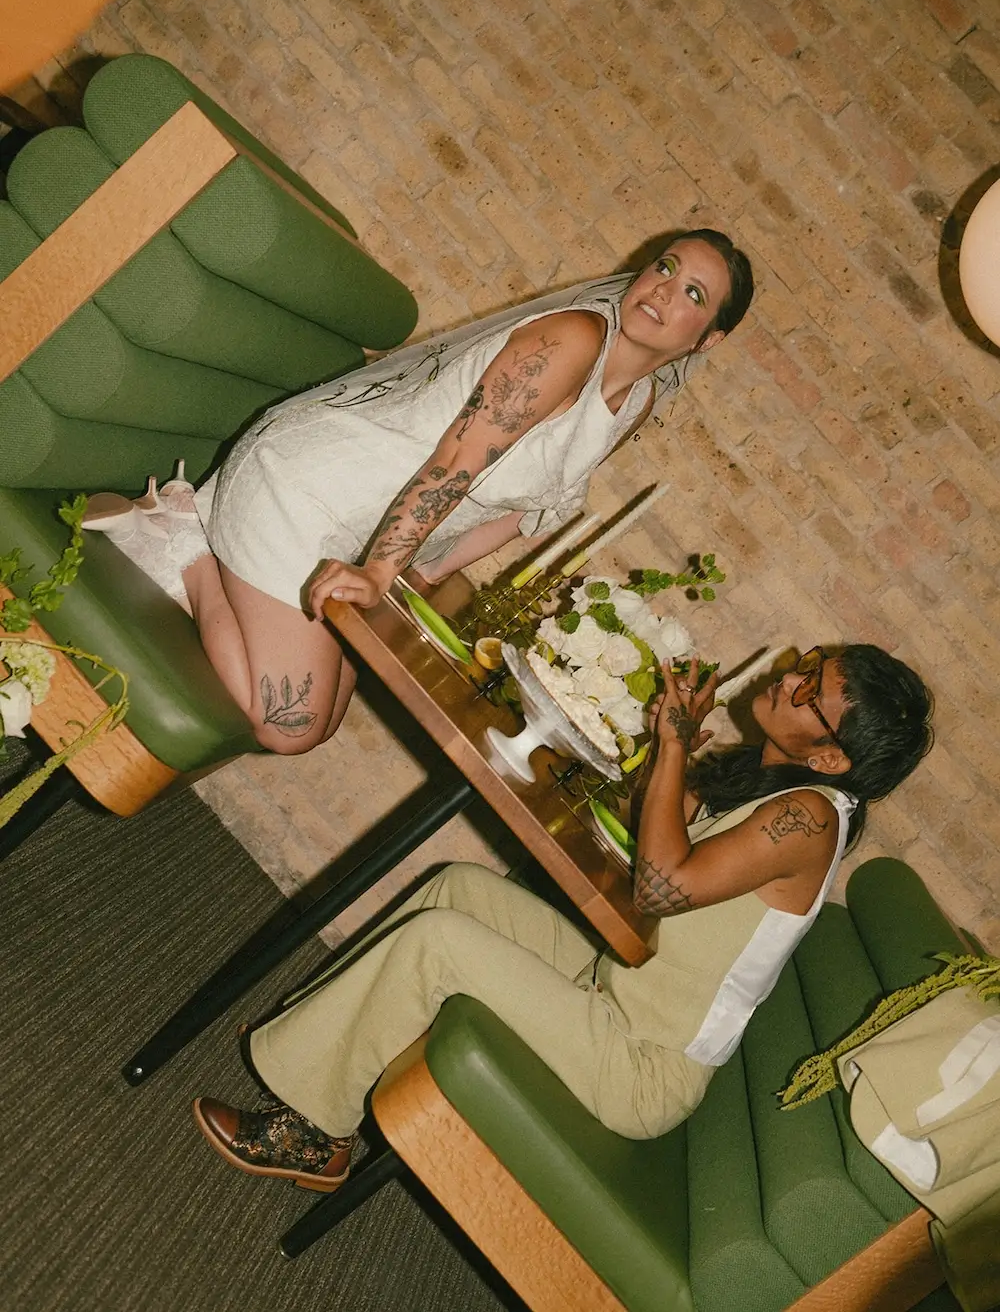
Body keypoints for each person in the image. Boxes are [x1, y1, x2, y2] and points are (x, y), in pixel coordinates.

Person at [191, 642, 933, 1192]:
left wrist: (674, 742)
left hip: (641, 1065)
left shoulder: (808, 817)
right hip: (612, 989)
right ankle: (317, 1048)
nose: (792, 678)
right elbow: (659, 837)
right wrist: (663, 750)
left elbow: (660, 887)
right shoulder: (777, 789)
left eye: (813, 694)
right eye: (812, 665)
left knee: (439, 942)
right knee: (459, 889)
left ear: (834, 759)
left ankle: (320, 1135)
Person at [81, 230, 754, 753]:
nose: (665, 292)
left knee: (336, 703)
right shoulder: (575, 337)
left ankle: (207, 558)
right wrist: (380, 571)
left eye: (694, 293)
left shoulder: (632, 399)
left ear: (712, 339)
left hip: (356, 522)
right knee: (290, 724)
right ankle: (183, 540)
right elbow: (458, 458)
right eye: (666, 267)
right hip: (307, 485)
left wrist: (424, 574)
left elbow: (530, 507)